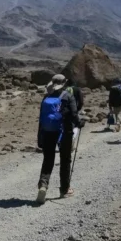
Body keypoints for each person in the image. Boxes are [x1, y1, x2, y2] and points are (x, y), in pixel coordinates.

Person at [37, 74, 84, 204]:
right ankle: (64, 189)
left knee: (48, 160)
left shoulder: (46, 98)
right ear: (64, 83)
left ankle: (43, 185)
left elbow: (41, 119)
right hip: (65, 132)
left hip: (48, 132)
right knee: (65, 160)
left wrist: (40, 137)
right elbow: (74, 114)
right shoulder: (68, 96)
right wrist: (80, 123)